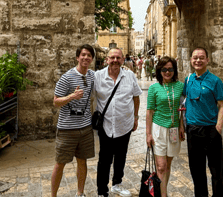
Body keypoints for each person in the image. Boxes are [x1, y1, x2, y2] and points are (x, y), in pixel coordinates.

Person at [94, 48, 142, 197]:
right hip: (106, 125)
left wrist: (135, 117)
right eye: (112, 57)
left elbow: (136, 97)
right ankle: (102, 190)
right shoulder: (97, 76)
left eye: (118, 58)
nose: (115, 60)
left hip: (124, 124)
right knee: (104, 159)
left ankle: (117, 184)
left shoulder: (129, 76)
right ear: (107, 59)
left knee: (121, 156)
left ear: (122, 60)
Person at [51, 44, 96, 197]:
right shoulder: (67, 77)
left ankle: (80, 193)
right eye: (83, 54)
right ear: (77, 57)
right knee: (60, 163)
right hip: (67, 129)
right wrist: (72, 96)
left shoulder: (92, 76)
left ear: (91, 59)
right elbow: (56, 102)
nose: (86, 57)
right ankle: (53, 196)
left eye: (89, 55)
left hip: (85, 128)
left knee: (82, 162)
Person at [183, 47, 223, 197]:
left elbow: (222, 105)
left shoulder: (215, 81)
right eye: (195, 57)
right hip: (193, 131)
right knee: (196, 170)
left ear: (207, 60)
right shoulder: (188, 80)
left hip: (211, 130)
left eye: (201, 57)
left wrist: (218, 128)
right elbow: (183, 100)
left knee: (216, 170)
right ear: (191, 60)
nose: (198, 60)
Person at [146, 56, 185, 197]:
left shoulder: (180, 86)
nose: (167, 72)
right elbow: (149, 111)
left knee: (167, 166)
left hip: (174, 129)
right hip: (158, 129)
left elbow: (182, 108)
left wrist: (181, 126)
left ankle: (162, 191)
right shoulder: (154, 88)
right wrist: (148, 134)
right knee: (161, 166)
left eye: (170, 69)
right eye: (164, 69)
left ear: (174, 70)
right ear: (159, 70)